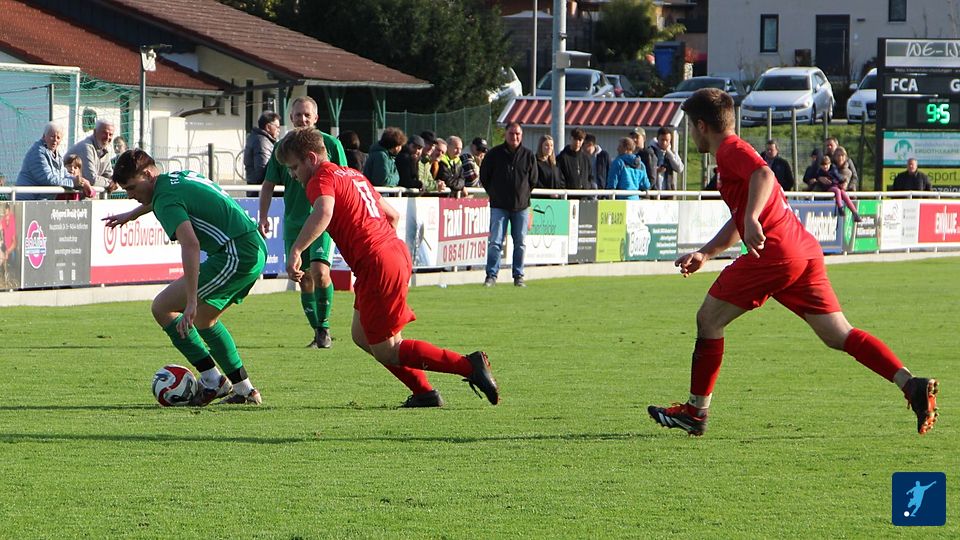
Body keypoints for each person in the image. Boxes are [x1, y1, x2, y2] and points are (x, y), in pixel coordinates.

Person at [647, 88, 939, 437]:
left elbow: (764, 175)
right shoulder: (731, 153)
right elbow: (741, 216)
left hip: (775, 254)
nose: (692, 136)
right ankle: (910, 384)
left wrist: (752, 218)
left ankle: (695, 412)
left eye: (691, 128)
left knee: (708, 319)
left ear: (700, 126)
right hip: (802, 251)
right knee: (838, 334)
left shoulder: (729, 149)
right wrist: (707, 252)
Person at [276, 127, 500, 408]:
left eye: (294, 167)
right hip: (391, 253)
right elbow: (392, 216)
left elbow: (324, 211)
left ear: (311, 158)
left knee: (388, 349)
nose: (293, 175)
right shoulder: (353, 175)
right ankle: (424, 393)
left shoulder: (320, 178)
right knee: (362, 336)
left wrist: (297, 250)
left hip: (378, 262)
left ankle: (469, 366)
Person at [106, 149, 266, 405]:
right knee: (204, 320)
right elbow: (167, 199)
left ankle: (213, 381)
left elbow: (190, 244)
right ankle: (244, 391)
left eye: (132, 188)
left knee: (163, 307)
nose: (130, 195)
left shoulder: (165, 200)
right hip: (250, 247)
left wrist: (191, 301)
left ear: (148, 174)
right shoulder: (175, 178)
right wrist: (131, 215)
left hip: (236, 254)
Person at [259, 96, 347, 349]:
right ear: (291, 118)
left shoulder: (330, 144)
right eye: (298, 115)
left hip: (322, 220)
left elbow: (345, 179)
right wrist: (263, 216)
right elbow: (268, 185)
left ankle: (325, 327)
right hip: (293, 223)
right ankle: (318, 331)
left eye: (307, 115)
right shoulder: (282, 148)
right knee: (304, 278)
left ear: (316, 118)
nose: (302, 119)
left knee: (320, 272)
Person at [479, 121, 537, 287]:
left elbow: (533, 180)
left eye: (517, 134)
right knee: (495, 242)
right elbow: (485, 176)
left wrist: (522, 195)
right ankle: (491, 276)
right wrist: (495, 193)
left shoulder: (528, 155)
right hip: (499, 206)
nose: (514, 137)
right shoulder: (494, 154)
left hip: (521, 207)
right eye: (511, 133)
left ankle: (518, 276)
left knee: (520, 243)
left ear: (522, 135)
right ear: (505, 134)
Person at [16, 122, 93, 200]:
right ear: (44, 136)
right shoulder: (37, 152)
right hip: (27, 200)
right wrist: (73, 182)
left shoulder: (56, 155)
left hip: (41, 201)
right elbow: (48, 179)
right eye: (52, 136)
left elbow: (64, 174)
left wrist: (82, 181)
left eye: (58, 138)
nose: (55, 140)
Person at [67, 118, 117, 193]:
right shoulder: (86, 147)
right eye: (104, 133)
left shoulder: (104, 150)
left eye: (110, 135)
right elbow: (91, 179)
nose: (107, 137)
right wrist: (110, 183)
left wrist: (114, 182)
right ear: (95, 132)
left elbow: (109, 175)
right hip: (68, 195)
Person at [243, 111, 280, 196]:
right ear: (268, 127)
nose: (279, 130)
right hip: (261, 192)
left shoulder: (255, 137)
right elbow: (263, 171)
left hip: (255, 189)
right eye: (277, 127)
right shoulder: (262, 142)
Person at [818, 154, 860, 222]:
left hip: (835, 185)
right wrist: (820, 179)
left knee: (844, 194)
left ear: (830, 164)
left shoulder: (833, 169)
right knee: (837, 190)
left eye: (826, 164)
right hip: (828, 188)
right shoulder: (820, 172)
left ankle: (855, 213)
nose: (825, 167)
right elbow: (819, 179)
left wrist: (843, 181)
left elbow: (838, 176)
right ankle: (840, 207)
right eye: (823, 165)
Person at [648, 127, 685, 193]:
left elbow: (680, 169)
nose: (664, 143)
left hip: (667, 192)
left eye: (667, 140)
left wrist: (669, 153)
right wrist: (655, 170)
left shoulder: (672, 152)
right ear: (657, 139)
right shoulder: (650, 152)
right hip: (652, 192)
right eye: (662, 140)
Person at [556, 128, 593, 193]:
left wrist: (587, 186)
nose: (577, 142)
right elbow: (559, 177)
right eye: (575, 139)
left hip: (584, 195)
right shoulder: (562, 157)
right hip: (568, 195)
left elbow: (590, 176)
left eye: (580, 140)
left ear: (583, 141)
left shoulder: (586, 158)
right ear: (570, 138)